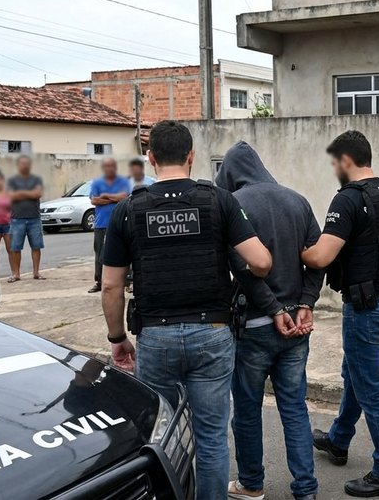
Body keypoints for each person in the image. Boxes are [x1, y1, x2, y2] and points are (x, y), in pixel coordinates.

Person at [100, 121, 272, 500]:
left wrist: (117, 338)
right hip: (212, 333)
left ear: (150, 158)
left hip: (155, 336)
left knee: (159, 435)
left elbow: (111, 285)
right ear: (191, 156)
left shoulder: (128, 209)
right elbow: (261, 262)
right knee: (211, 436)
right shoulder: (219, 201)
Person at [303, 130, 379, 498]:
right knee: (357, 373)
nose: (335, 169)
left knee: (374, 391)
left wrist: (293, 246)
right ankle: (339, 440)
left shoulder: (348, 199)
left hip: (366, 309)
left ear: (345, 160)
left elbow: (322, 257)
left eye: (335, 163)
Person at [215, 141, 323, 500]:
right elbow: (319, 259)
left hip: (254, 327)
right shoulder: (297, 200)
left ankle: (251, 484)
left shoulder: (233, 205)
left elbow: (241, 267)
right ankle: (306, 489)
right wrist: (305, 303)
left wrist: (274, 310)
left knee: (247, 411)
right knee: (294, 409)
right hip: (297, 327)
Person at [88, 158, 130, 293]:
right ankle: (99, 281)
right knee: (100, 253)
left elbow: (125, 197)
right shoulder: (97, 182)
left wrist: (106, 195)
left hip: (120, 223)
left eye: (112, 166)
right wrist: (114, 198)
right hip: (101, 224)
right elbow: (94, 200)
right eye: (106, 166)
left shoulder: (123, 181)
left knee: (125, 252)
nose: (109, 168)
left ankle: (127, 281)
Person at [7, 155, 45, 282]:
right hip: (17, 219)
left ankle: (36, 272)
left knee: (36, 246)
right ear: (18, 165)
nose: (25, 166)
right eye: (22, 164)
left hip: (34, 218)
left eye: (27, 164)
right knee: (15, 247)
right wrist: (30, 193)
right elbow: (11, 196)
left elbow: (38, 194)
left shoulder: (36, 179)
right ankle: (16, 274)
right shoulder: (12, 181)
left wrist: (21, 193)